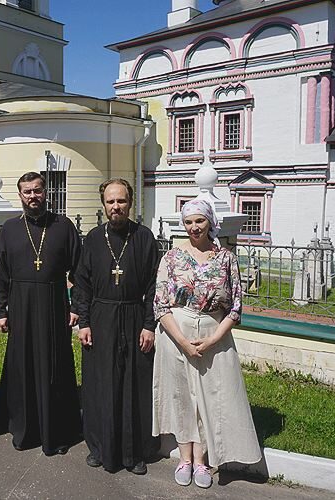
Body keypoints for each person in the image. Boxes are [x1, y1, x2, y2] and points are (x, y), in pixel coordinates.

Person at [152, 199, 262, 488]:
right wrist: (184, 342)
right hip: (176, 334)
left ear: (211, 223)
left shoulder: (226, 258)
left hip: (214, 333)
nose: (194, 227)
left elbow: (236, 307)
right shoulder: (172, 257)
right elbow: (161, 304)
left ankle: (202, 461)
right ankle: (184, 458)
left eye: (199, 221)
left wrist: (213, 339)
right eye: (188, 222)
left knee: (208, 398)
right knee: (181, 397)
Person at [73, 178, 158, 475]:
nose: (115, 206)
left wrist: (149, 325)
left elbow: (153, 287)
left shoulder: (145, 238)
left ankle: (133, 453)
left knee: (133, 383)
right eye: (110, 201)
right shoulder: (94, 239)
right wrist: (83, 322)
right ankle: (99, 448)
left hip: (135, 316)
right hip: (101, 318)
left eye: (121, 200)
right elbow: (81, 285)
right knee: (100, 385)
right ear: (104, 204)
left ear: (130, 202)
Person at [0, 171, 82, 456]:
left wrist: (76, 306)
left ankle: (56, 429)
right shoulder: (9, 229)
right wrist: (1, 310)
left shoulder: (63, 226)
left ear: (46, 193)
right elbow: (1, 273)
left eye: (37, 190)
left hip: (54, 302)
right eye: (27, 192)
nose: (33, 196)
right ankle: (24, 429)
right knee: (22, 365)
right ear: (20, 195)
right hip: (20, 304)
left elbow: (79, 271)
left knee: (55, 364)